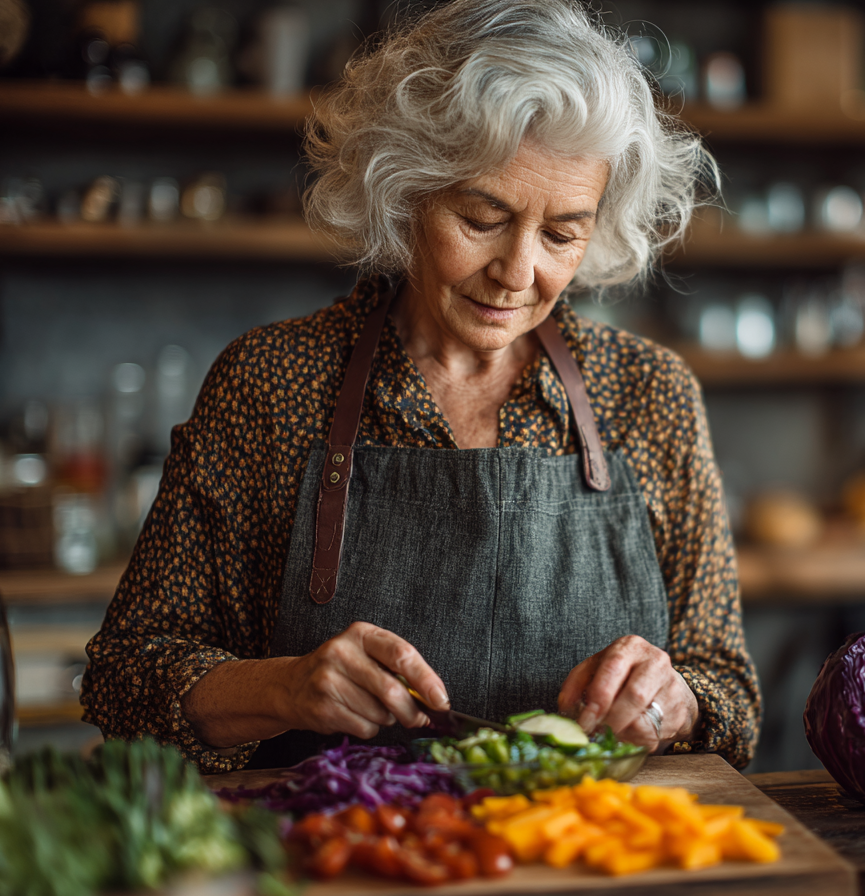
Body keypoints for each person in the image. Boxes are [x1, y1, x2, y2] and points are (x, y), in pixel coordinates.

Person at [81, 0, 760, 774]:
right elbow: (125, 680)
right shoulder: (271, 383)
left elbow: (730, 693)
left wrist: (676, 701)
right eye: (482, 218)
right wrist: (283, 689)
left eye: (561, 233)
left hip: (588, 840)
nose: (517, 272)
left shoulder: (649, 394)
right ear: (404, 193)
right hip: (342, 841)